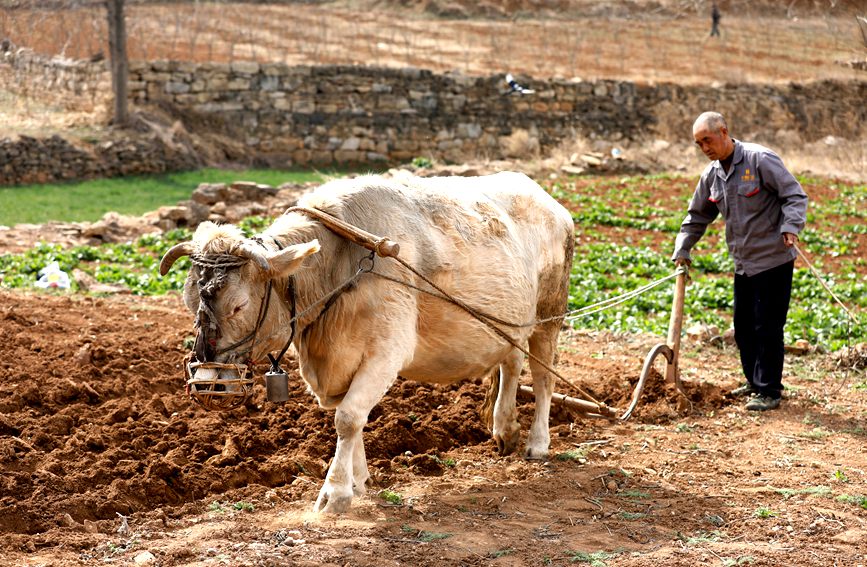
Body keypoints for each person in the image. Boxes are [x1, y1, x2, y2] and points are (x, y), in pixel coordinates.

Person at [672, 112, 808, 411]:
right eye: (699, 143)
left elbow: (794, 195)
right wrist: (683, 248)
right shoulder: (712, 175)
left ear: (724, 132)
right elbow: (697, 216)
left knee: (768, 326)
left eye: (708, 140)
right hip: (743, 262)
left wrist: (790, 227)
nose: (705, 147)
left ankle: (769, 389)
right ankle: (754, 381)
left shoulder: (760, 160)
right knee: (743, 326)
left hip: (773, 259)